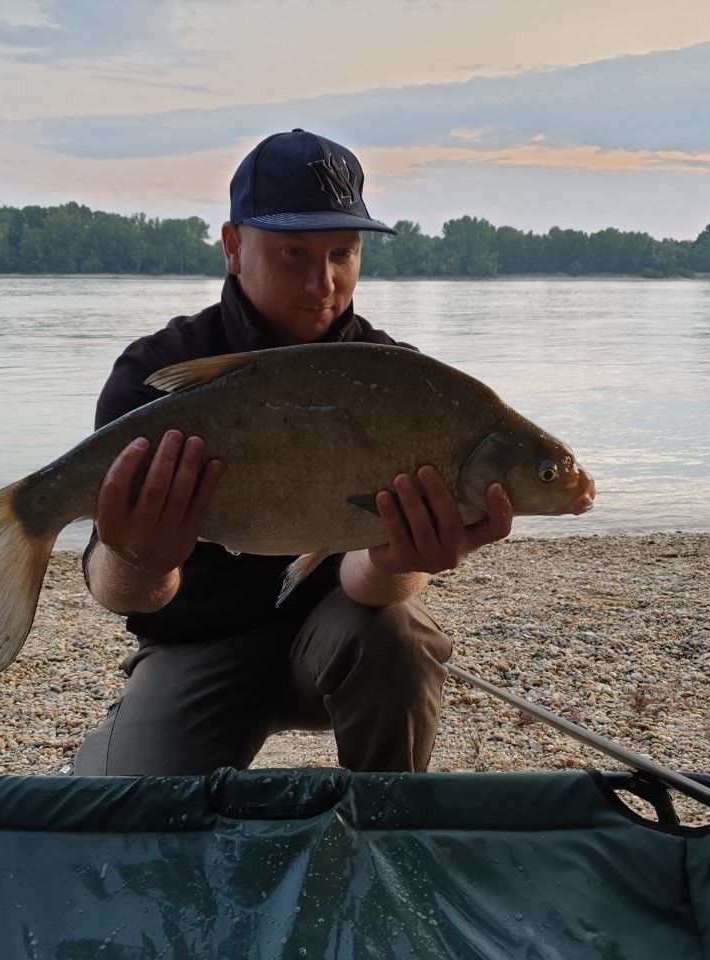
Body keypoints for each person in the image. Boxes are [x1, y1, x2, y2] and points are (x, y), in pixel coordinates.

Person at [72, 129, 514, 776]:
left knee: (397, 630)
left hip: (338, 636)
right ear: (233, 247)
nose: (322, 283)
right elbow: (122, 593)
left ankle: (384, 835)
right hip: (196, 646)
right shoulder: (156, 372)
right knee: (123, 821)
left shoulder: (400, 384)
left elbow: (369, 585)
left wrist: (400, 560)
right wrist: (142, 560)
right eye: (292, 253)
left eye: (343, 252)